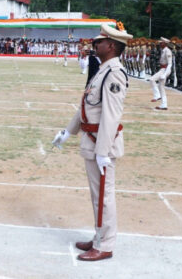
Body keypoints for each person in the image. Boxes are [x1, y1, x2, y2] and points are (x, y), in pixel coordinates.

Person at [52, 23, 131, 262]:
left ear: (112, 45)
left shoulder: (114, 73)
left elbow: (111, 114)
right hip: (92, 140)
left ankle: (105, 245)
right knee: (98, 195)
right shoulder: (102, 69)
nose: (95, 44)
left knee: (104, 196)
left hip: (101, 144)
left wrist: (103, 151)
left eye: (100, 41)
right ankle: (99, 237)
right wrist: (68, 132)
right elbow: (87, 106)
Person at [148, 37, 172, 110]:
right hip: (162, 69)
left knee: (152, 79)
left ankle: (157, 95)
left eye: (161, 43)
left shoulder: (167, 51)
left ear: (165, 43)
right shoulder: (163, 50)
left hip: (165, 70)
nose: (160, 44)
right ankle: (164, 104)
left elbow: (170, 64)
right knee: (161, 87)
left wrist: (164, 74)